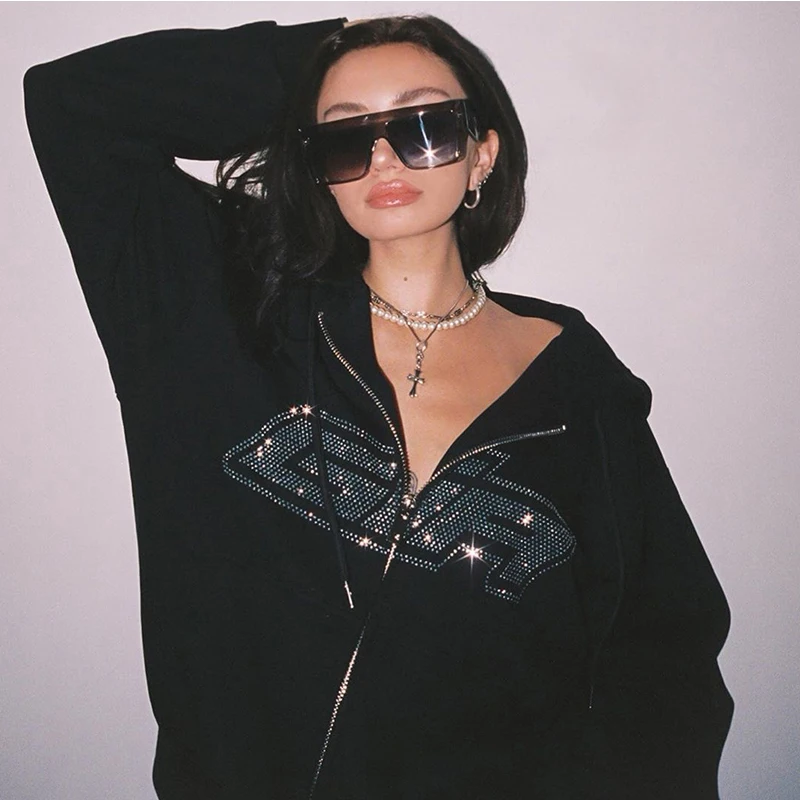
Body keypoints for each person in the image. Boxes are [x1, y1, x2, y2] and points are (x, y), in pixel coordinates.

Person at [24, 14, 733, 800]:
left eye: (424, 124)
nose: (385, 156)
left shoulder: (576, 380)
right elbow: (74, 102)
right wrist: (325, 52)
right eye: (345, 137)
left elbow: (660, 655)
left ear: (482, 154)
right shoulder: (220, 317)